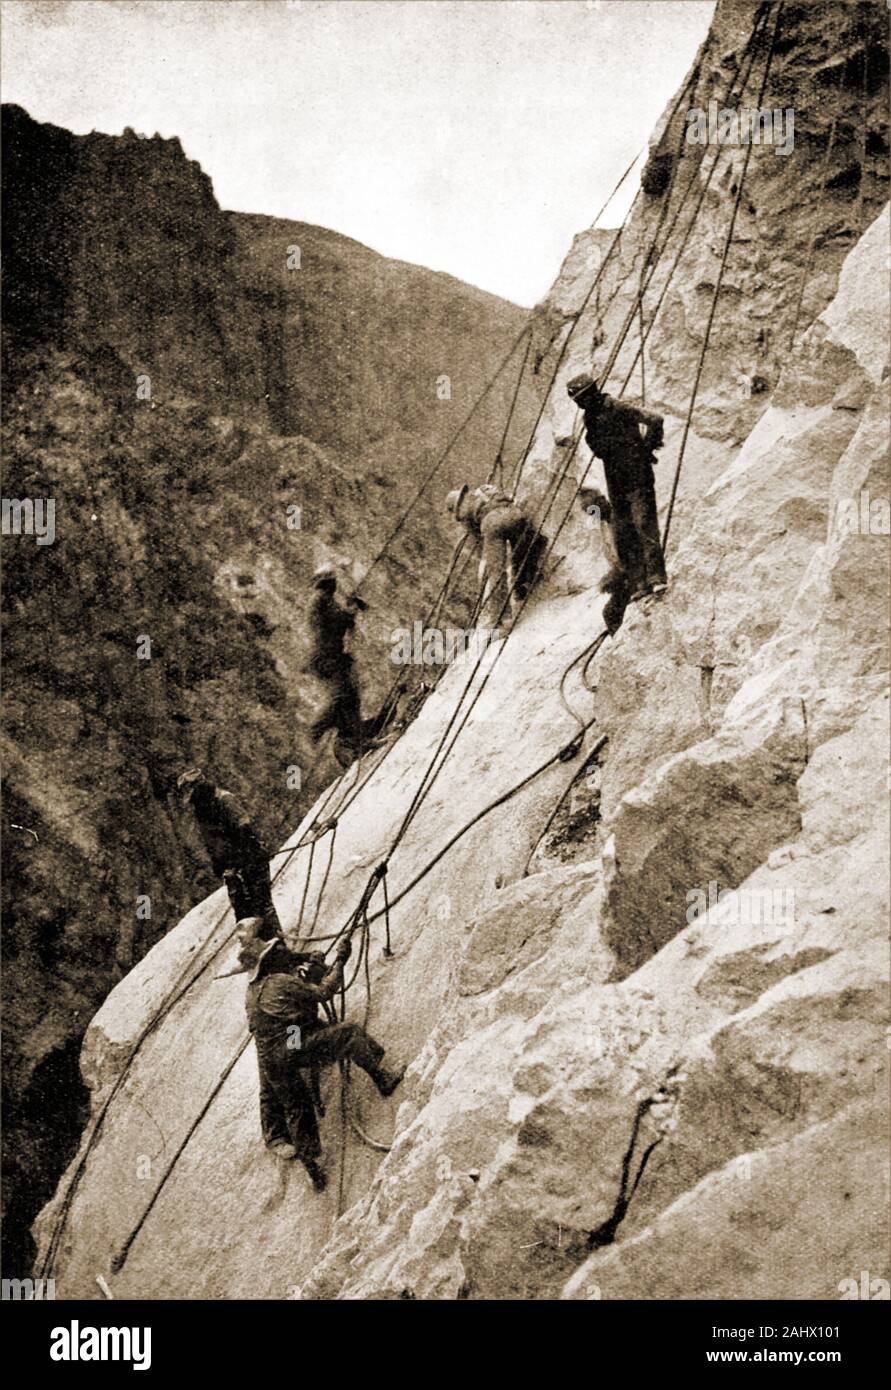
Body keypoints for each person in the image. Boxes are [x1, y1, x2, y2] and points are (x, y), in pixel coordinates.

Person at [232, 923, 405, 1192]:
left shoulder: (252, 993)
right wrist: (340, 961)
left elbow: (288, 1013)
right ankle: (383, 1079)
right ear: (268, 962)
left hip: (273, 1058)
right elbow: (324, 992)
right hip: (292, 1047)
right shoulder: (280, 982)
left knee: (297, 1110)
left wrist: (306, 975)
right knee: (348, 1033)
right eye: (275, 952)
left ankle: (313, 1171)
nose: (282, 953)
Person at [567, 373, 667, 601]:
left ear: (593, 392)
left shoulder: (617, 407)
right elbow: (598, 448)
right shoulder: (588, 419)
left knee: (644, 523)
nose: (581, 404)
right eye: (577, 401)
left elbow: (655, 419)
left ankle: (656, 578)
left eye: (583, 398)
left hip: (637, 475)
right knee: (624, 532)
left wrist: (647, 449)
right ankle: (639, 583)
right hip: (615, 479)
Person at [177, 768, 280, 937]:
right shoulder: (202, 809)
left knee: (261, 906)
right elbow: (213, 841)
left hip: (249, 860)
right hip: (232, 867)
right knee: (243, 912)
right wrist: (219, 862)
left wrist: (246, 854)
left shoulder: (224, 800)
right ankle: (257, 949)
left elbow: (244, 828)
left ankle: (277, 947)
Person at [445, 483, 547, 630]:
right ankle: (523, 585)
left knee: (496, 573)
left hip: (492, 523)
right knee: (521, 547)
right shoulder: (484, 489)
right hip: (514, 514)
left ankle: (502, 619)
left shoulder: (464, 512)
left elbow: (479, 542)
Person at [306, 564, 367, 763]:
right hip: (327, 657)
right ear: (328, 583)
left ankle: (355, 737)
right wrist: (353, 608)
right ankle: (314, 731)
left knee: (349, 696)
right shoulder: (321, 599)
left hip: (329, 656)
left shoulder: (322, 600)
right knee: (341, 696)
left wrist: (350, 609)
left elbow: (339, 620)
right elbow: (339, 620)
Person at [578, 485, 632, 635]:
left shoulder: (618, 518)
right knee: (609, 612)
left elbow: (628, 556)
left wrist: (613, 578)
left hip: (634, 576)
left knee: (611, 612)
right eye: (589, 512)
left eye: (593, 509)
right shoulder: (604, 524)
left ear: (602, 501)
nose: (592, 514)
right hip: (624, 576)